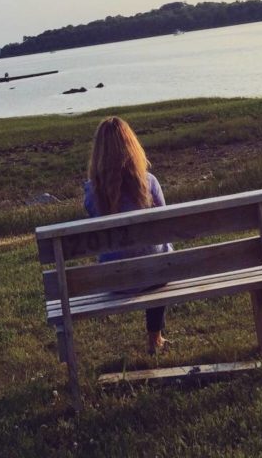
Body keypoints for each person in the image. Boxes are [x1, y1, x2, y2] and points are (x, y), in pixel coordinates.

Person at [82, 116, 172, 354]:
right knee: (160, 256)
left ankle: (156, 338)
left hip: (115, 279)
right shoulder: (149, 183)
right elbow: (166, 225)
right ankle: (155, 337)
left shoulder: (92, 193)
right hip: (156, 275)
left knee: (150, 258)